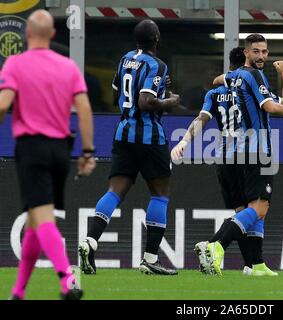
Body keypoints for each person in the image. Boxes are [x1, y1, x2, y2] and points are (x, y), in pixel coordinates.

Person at [187, 34, 283, 276]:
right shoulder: (254, 76)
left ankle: (254, 264)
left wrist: (282, 76)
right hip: (257, 150)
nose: (262, 56)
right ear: (246, 53)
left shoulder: (233, 78)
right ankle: (215, 245)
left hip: (231, 154)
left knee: (246, 211)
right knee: (260, 207)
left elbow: (217, 80)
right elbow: (274, 106)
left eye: (265, 52)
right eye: (256, 51)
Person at [0, 10, 96, 300]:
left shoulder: (15, 64)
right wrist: (88, 151)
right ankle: (18, 291)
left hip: (32, 149)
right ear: (53, 34)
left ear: (27, 34)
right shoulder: (68, 66)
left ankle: (66, 277)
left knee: (42, 218)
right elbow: (85, 110)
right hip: (61, 151)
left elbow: (3, 105)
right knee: (34, 218)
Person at [78, 19, 180, 276]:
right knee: (160, 194)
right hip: (149, 137)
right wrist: (170, 101)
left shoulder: (126, 59)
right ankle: (150, 259)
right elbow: (146, 102)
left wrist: (155, 91)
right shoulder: (157, 64)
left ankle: (90, 241)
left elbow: (116, 96)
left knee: (115, 191)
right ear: (156, 38)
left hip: (123, 133)